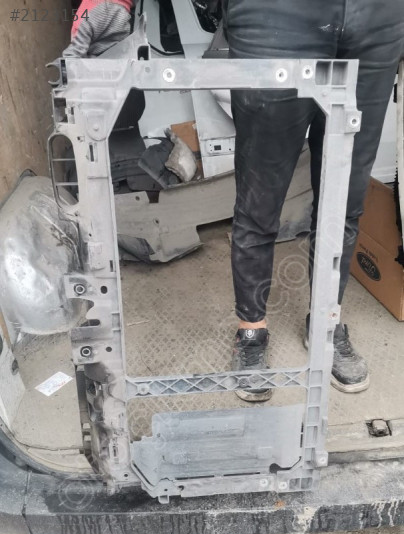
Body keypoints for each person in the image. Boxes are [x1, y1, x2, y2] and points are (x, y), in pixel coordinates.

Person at [65, 0, 404, 399]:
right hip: (276, 15)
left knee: (345, 199)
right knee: (260, 199)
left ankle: (327, 321)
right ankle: (252, 331)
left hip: (378, 17)